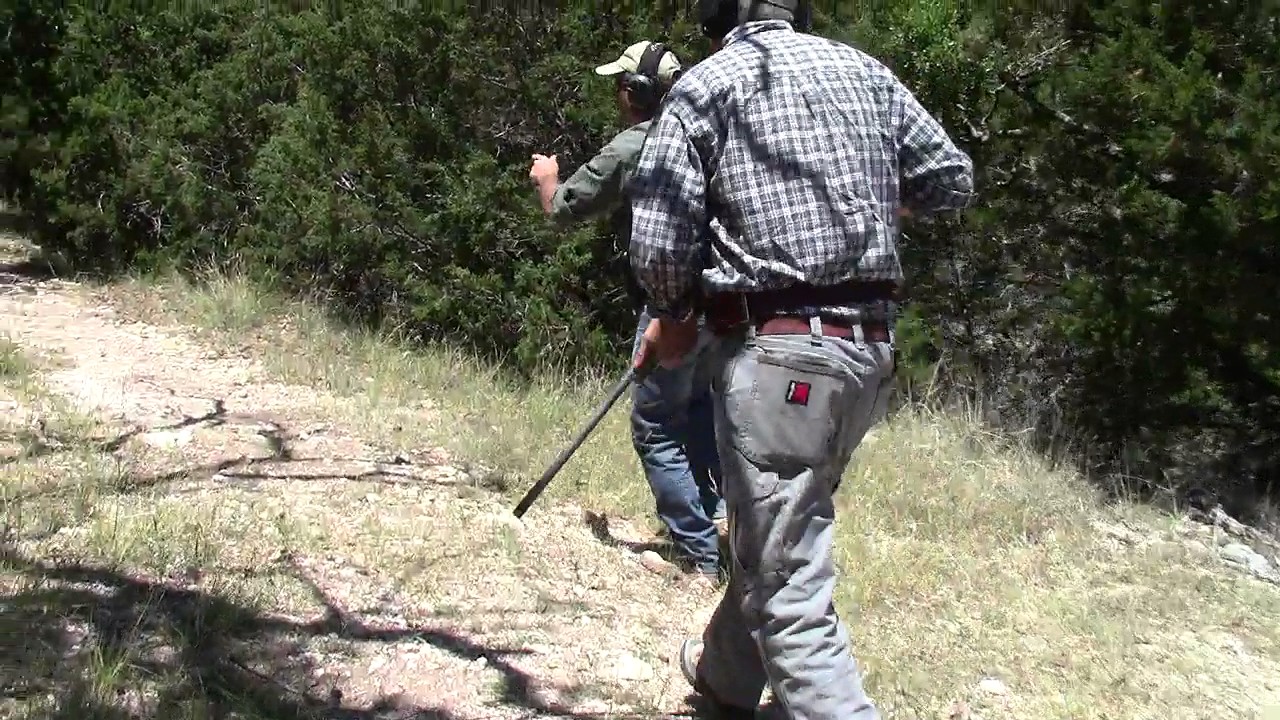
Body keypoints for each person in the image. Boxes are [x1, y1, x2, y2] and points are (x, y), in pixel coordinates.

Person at [626, 0, 977, 718]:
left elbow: (659, 235)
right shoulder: (867, 71)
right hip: (867, 357)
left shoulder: (708, 83)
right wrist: (876, 208)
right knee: (779, 531)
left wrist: (672, 314)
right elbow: (950, 178)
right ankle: (724, 683)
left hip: (781, 359)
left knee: (787, 586)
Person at [527, 40, 728, 581]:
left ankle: (698, 554)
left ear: (636, 93)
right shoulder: (712, 135)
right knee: (700, 410)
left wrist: (548, 178)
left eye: (621, 83)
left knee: (656, 424)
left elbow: (564, 209)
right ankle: (719, 520)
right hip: (725, 303)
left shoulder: (636, 145)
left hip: (671, 304)